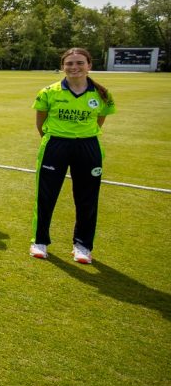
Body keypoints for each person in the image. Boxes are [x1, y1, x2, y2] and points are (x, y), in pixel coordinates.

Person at [30, 48, 115, 264]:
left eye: (79, 63)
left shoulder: (101, 94)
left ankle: (82, 245)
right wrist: (57, 139)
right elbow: (41, 122)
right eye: (69, 63)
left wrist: (81, 136)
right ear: (62, 66)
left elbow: (99, 121)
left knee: (87, 198)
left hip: (88, 147)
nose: (74, 67)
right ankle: (39, 241)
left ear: (89, 65)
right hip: (56, 145)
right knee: (46, 195)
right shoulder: (49, 92)